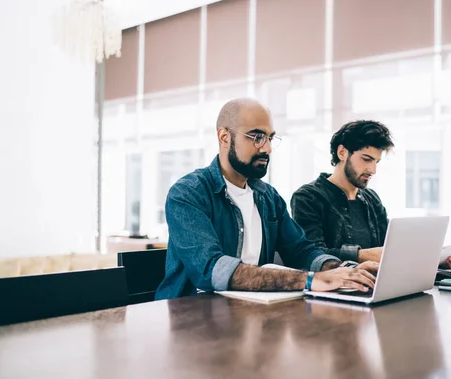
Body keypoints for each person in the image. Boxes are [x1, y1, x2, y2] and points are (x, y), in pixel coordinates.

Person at [155, 99, 378, 300]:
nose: (267, 148)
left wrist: (343, 270)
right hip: (189, 316)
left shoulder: (268, 197)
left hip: (248, 313)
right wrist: (310, 280)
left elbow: (301, 251)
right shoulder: (187, 193)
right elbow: (211, 269)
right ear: (225, 137)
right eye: (257, 137)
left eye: (270, 138)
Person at [291, 120, 451, 269]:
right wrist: (362, 255)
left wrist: (435, 260)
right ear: (342, 152)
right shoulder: (308, 197)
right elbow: (311, 255)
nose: (373, 170)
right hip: (337, 295)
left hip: (376, 288)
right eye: (366, 159)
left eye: (376, 162)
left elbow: (391, 249)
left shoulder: (371, 199)